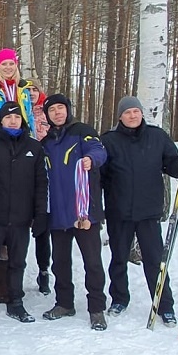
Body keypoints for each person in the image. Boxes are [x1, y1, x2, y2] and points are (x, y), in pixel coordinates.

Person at [100, 96, 178, 327]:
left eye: (136, 111)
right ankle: (119, 299)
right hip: (119, 211)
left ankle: (165, 305)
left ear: (141, 113)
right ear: (120, 117)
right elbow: (100, 177)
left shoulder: (157, 137)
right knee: (118, 259)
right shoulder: (109, 140)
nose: (132, 116)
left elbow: (172, 162)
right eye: (127, 112)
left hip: (148, 211)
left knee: (155, 261)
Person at [0, 102, 47, 327]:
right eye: (8, 118)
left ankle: (16, 301)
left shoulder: (34, 147)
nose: (13, 121)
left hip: (21, 219)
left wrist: (40, 214)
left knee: (18, 262)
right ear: (0, 121)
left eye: (16, 118)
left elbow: (41, 183)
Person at [40, 94, 108, 330]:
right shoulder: (46, 142)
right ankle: (64, 302)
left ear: (68, 110)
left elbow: (99, 150)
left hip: (83, 211)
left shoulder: (82, 131)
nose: (57, 113)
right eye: (52, 110)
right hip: (58, 212)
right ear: (47, 115)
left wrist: (91, 159)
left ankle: (97, 308)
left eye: (61, 108)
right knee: (59, 261)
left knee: (92, 261)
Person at [26, 78, 51, 295]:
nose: (32, 93)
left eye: (35, 89)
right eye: (28, 89)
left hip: (46, 167)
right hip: (25, 170)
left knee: (43, 225)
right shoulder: (22, 109)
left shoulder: (48, 111)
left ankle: (44, 271)